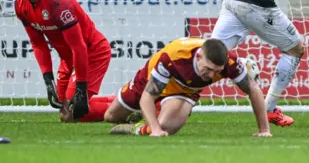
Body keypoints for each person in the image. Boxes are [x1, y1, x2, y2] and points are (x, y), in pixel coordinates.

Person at [13, 0, 114, 122]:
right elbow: (38, 44)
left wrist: (81, 87)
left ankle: (130, 108)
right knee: (64, 106)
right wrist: (48, 79)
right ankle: (121, 101)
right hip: (68, 59)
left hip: (91, 53)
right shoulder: (20, 5)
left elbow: (79, 47)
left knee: (69, 114)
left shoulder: (57, 4)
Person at [106, 37, 270, 137]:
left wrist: (264, 130)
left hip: (183, 91)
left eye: (217, 72)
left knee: (167, 127)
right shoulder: (174, 57)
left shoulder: (231, 63)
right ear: (198, 57)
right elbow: (147, 96)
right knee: (111, 116)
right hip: (150, 79)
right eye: (208, 69)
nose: (212, 76)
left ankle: (137, 128)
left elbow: (253, 89)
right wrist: (155, 131)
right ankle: (144, 115)